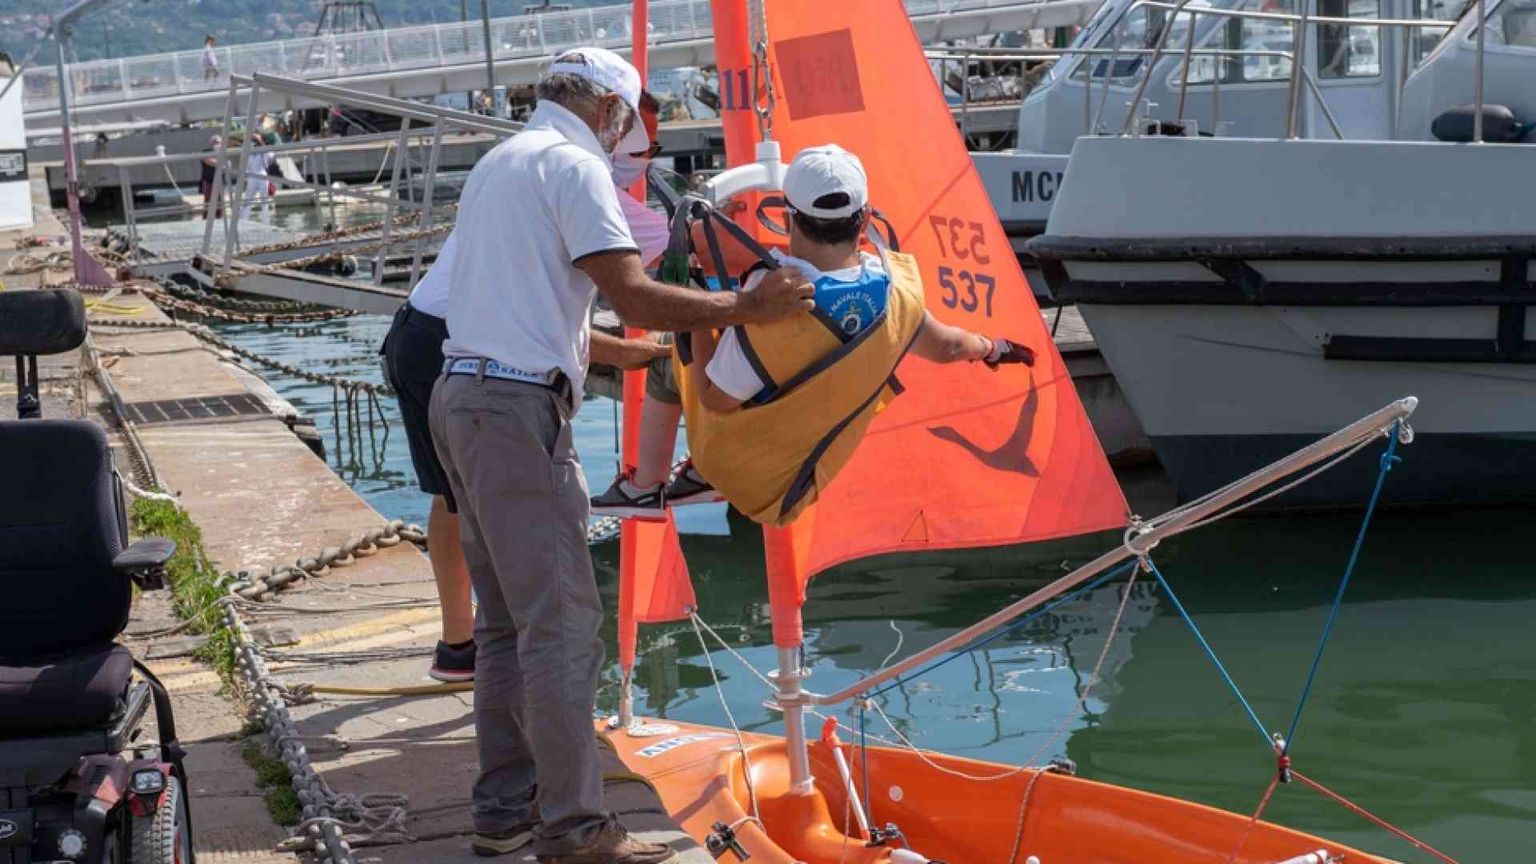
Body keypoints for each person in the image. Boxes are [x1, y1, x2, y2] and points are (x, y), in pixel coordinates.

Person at [427, 47, 811, 862]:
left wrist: (622, 355)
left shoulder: (500, 162)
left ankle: (504, 812)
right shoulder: (575, 166)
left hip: (459, 395)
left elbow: (511, 302)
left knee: (505, 626)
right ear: (609, 111)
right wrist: (749, 306)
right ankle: (576, 830)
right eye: (630, 124)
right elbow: (632, 291)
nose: (627, 140)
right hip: (514, 414)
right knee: (562, 630)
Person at [381, 91, 671, 684]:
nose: (642, 157)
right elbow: (644, 289)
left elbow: (538, 308)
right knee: (496, 514)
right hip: (452, 342)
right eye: (641, 143)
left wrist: (625, 353)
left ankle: (461, 646)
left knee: (453, 498)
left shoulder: (529, 168)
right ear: (610, 126)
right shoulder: (587, 181)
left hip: (420, 328)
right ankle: (505, 652)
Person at [593, 145, 1035, 519]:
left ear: (787, 219)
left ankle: (645, 487)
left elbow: (713, 398)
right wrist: (992, 347)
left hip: (750, 477)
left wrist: (701, 316)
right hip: (805, 477)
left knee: (668, 355)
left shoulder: (772, 300)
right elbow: (948, 345)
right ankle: (688, 477)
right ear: (865, 220)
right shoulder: (897, 293)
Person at [238, 133, 273, 224]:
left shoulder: (263, 151)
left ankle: (266, 223)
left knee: (264, 201)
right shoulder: (246, 151)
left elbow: (270, 156)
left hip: (262, 175)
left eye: (254, 141)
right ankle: (244, 221)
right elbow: (244, 166)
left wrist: (261, 143)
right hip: (252, 177)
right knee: (248, 200)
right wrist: (245, 179)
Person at [199, 135, 223, 218]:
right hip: (209, 181)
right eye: (215, 142)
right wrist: (220, 162)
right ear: (211, 143)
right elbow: (210, 161)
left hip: (220, 181)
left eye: (219, 143)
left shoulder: (223, 153)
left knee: (220, 202)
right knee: (208, 201)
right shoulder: (206, 152)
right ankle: (206, 219)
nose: (217, 145)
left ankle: (219, 218)